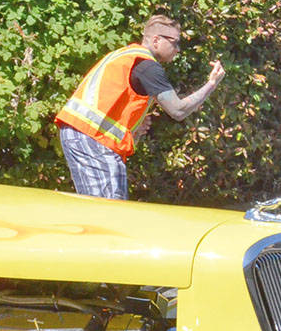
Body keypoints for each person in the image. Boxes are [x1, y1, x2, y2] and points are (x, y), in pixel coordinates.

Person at [55, 15, 226, 199]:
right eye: (175, 43)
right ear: (156, 40)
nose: (178, 50)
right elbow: (178, 110)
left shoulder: (128, 55)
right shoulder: (147, 66)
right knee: (108, 210)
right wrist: (212, 84)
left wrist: (133, 127)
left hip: (84, 134)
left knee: (103, 207)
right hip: (92, 137)